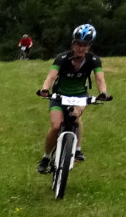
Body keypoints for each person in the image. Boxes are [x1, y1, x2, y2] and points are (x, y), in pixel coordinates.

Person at [36, 23, 110, 172]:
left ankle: (76, 149)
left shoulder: (93, 60)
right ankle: (46, 157)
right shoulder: (62, 58)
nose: (81, 48)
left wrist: (103, 92)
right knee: (56, 126)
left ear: (89, 46)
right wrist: (45, 89)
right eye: (78, 44)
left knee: (75, 117)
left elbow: (100, 79)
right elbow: (51, 76)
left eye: (85, 45)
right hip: (59, 95)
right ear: (73, 44)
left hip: (80, 95)